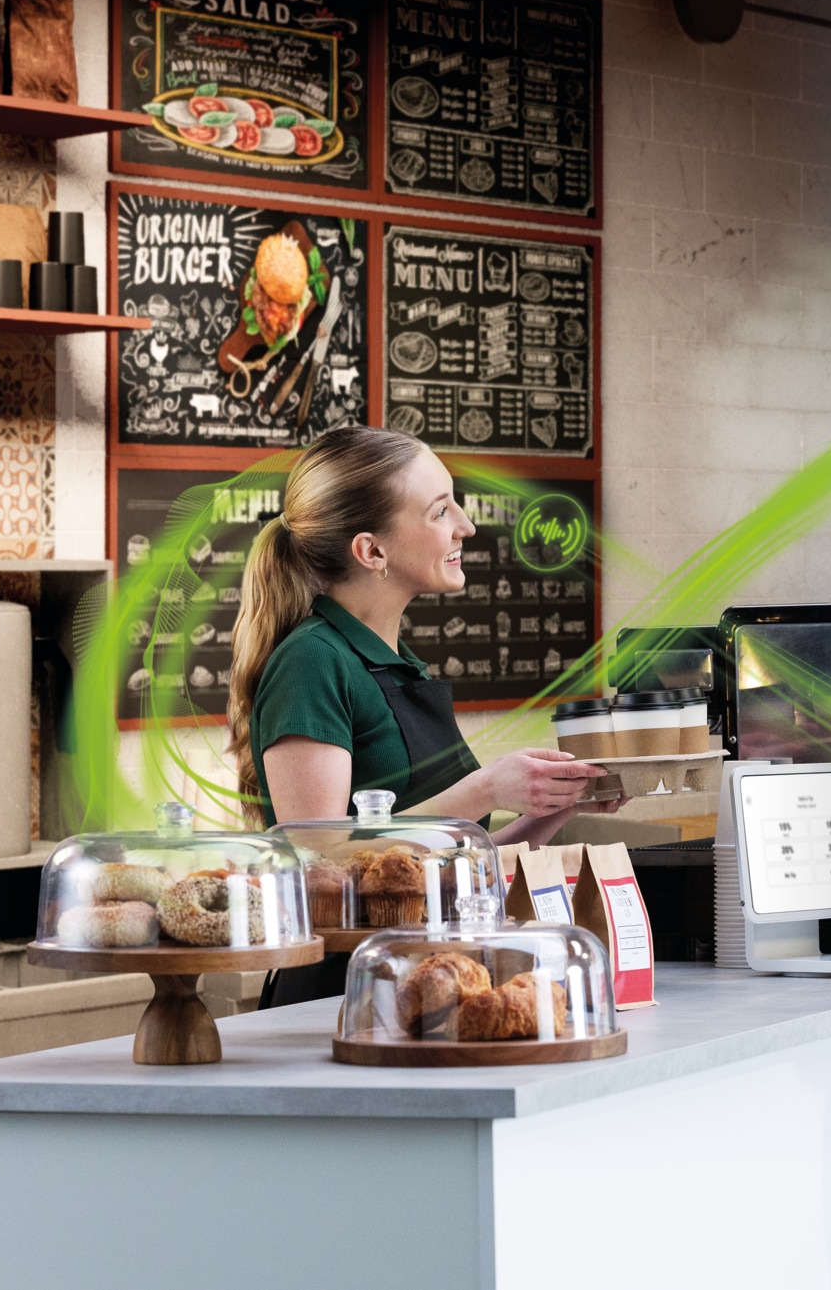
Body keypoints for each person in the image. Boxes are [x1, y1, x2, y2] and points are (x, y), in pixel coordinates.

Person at [227, 426, 617, 1003]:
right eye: (440, 511)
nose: (467, 525)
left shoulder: (395, 663)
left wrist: (555, 805)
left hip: (429, 982)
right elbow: (321, 860)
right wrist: (485, 788)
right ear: (372, 551)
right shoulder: (312, 662)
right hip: (345, 996)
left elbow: (448, 870)